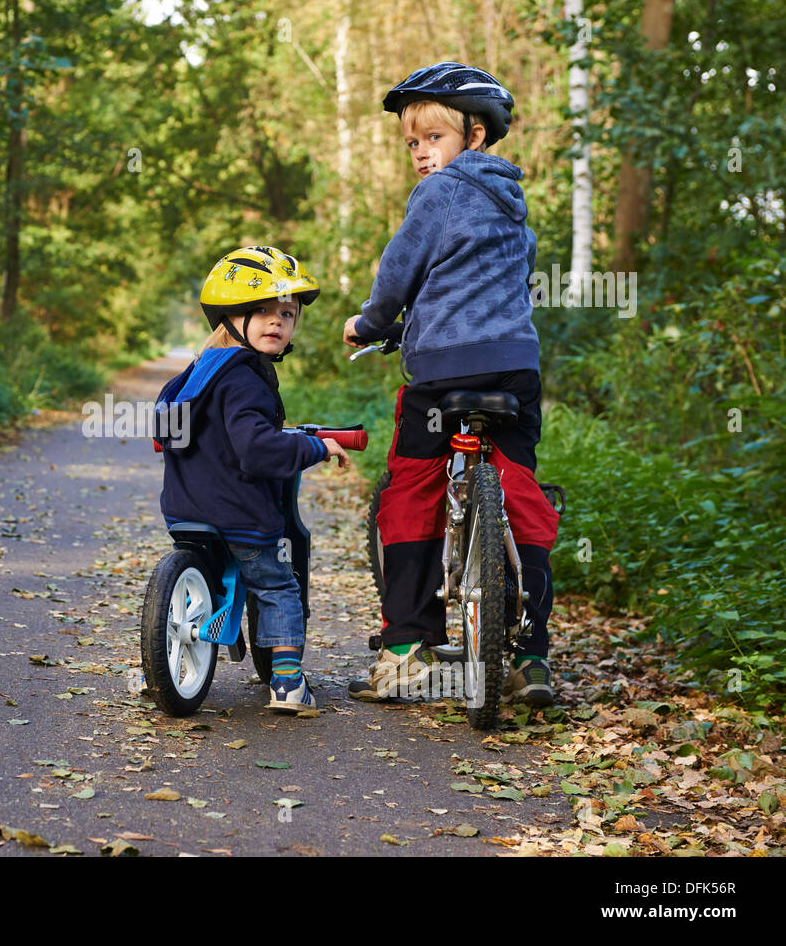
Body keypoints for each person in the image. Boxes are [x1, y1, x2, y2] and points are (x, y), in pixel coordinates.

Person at [342, 62, 559, 706]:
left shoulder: (438, 195)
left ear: (475, 135)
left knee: (409, 490)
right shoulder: (515, 204)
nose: (420, 153)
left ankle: (407, 651)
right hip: (516, 370)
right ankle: (531, 657)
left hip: (441, 373)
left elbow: (399, 269)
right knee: (523, 495)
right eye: (412, 142)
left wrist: (371, 322)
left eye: (432, 137)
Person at [154, 246, 348, 712]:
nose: (275, 321)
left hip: (185, 511)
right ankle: (286, 683)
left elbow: (176, 431)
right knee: (278, 585)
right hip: (239, 513)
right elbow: (257, 448)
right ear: (231, 317)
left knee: (217, 574)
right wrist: (315, 446)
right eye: (260, 311)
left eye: (286, 313)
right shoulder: (246, 379)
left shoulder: (199, 372)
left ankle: (157, 669)